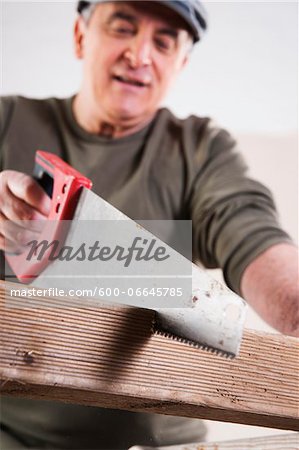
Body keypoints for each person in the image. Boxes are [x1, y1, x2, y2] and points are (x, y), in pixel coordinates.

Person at [0, 1, 298, 448]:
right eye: (123, 28)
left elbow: (253, 234)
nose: (140, 56)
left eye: (163, 42)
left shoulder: (201, 151)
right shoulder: (7, 122)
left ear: (181, 63)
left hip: (160, 442)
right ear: (81, 37)